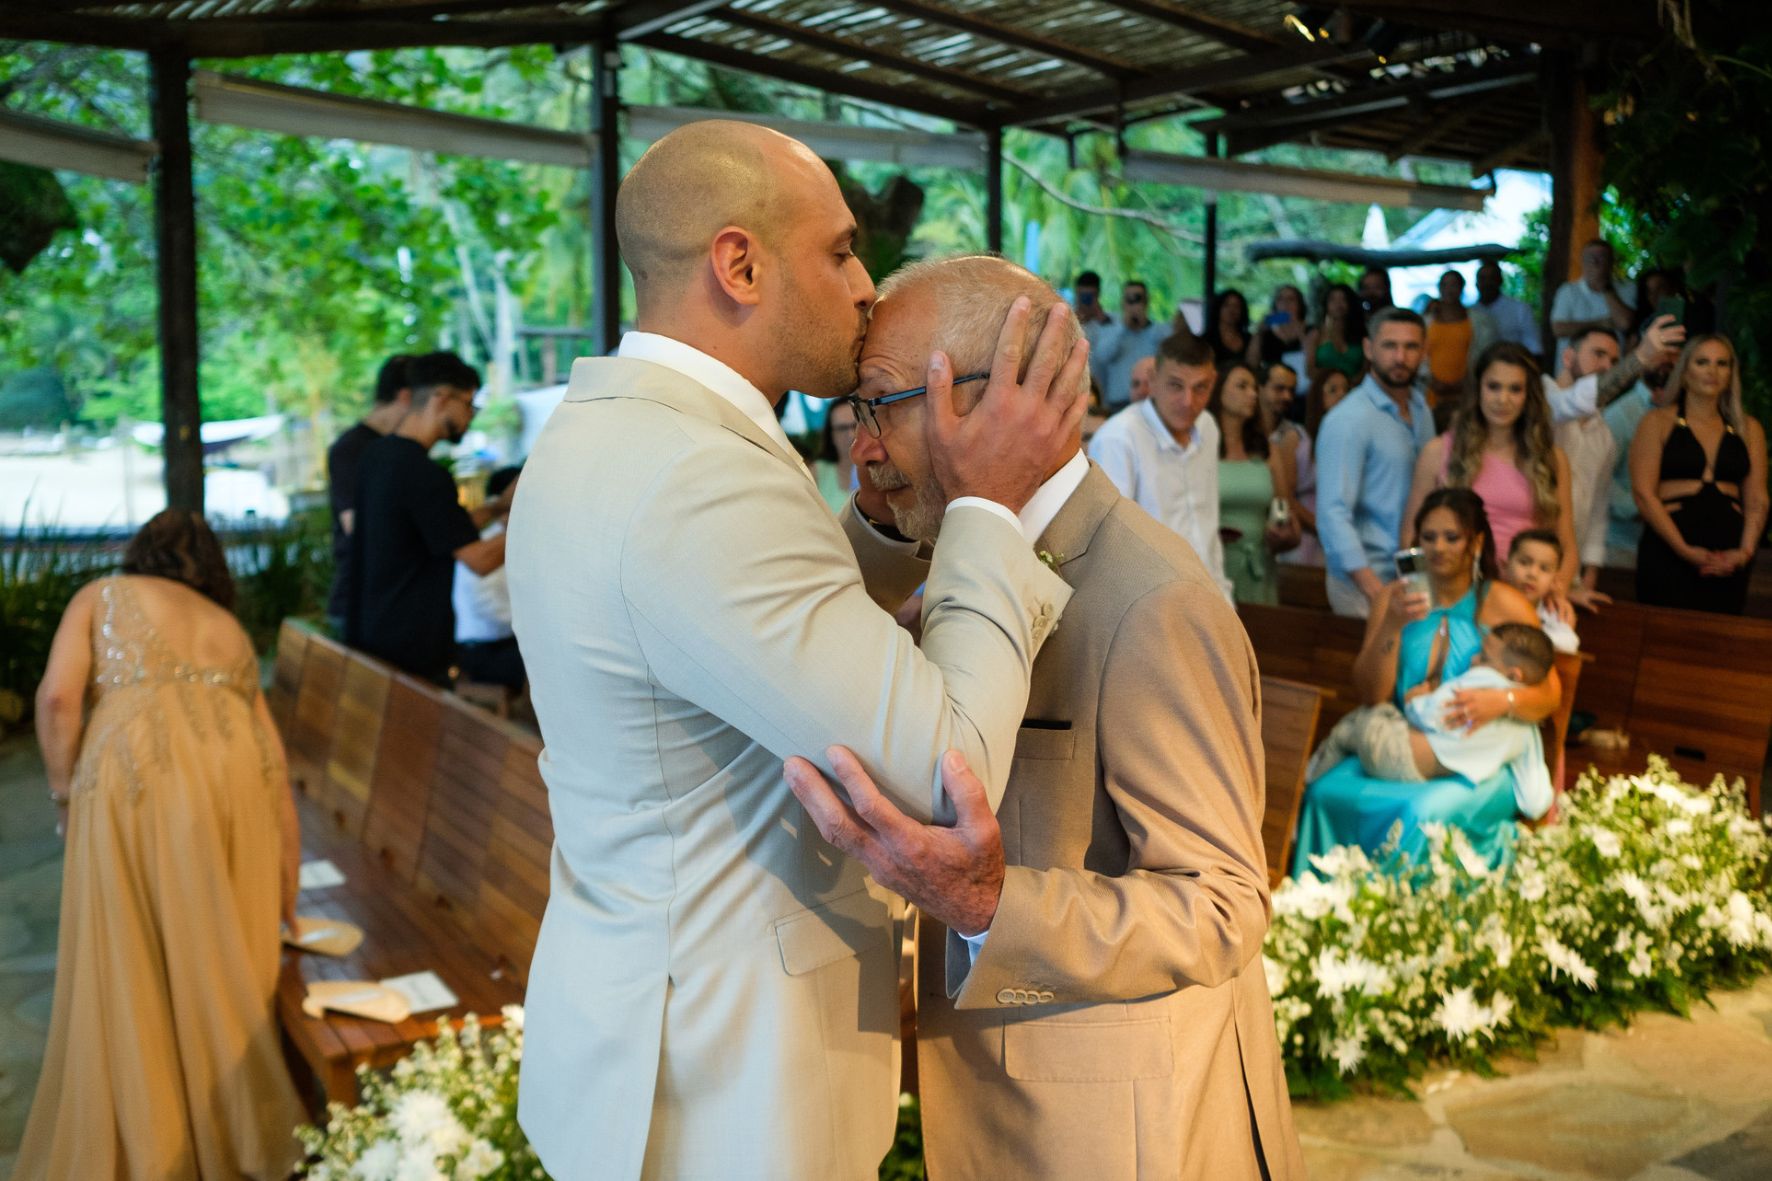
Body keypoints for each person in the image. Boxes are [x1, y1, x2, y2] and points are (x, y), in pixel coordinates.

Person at [505, 122, 1086, 1180]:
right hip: (729, 1080)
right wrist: (988, 508)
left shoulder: (600, 430)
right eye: (840, 250)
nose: (866, 285)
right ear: (739, 264)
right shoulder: (696, 473)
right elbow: (940, 767)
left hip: (643, 1014)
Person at [783, 253, 1305, 1181]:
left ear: (997, 397)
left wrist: (993, 904)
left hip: (1118, 1129)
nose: (861, 446)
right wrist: (879, 504)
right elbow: (827, 634)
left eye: (879, 405)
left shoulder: (1149, 600)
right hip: (999, 1104)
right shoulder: (945, 543)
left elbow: (1223, 905)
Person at [17, 510, 305, 1180]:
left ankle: (154, 1141)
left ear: (139, 551)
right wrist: (285, 891)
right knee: (215, 946)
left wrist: (64, 795)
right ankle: (234, 1132)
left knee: (134, 951)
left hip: (135, 775)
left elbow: (59, 700)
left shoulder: (101, 595)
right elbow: (275, 757)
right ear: (212, 568)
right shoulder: (228, 628)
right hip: (236, 777)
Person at [1293, 489, 1562, 872]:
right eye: (1428, 537)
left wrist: (1501, 702)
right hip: (1405, 739)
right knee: (1323, 792)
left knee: (1422, 811)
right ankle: (1321, 908)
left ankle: (1403, 920)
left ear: (1476, 542)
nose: (1438, 547)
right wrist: (1392, 623)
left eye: (1451, 537)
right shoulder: (1394, 597)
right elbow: (1372, 694)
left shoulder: (1502, 603)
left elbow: (1550, 693)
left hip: (1474, 756)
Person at [347, 350, 513, 684]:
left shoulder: (376, 457)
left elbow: (445, 531)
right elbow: (478, 559)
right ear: (441, 397)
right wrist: (533, 517)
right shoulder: (422, 473)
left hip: (369, 634)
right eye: (468, 404)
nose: (470, 416)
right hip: (411, 650)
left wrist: (497, 508)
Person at [1401, 341, 1578, 618]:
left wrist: (1557, 590)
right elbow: (1410, 537)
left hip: (1525, 602)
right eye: (1493, 386)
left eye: (1515, 389)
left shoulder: (1552, 460)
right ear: (1477, 390)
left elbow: (1566, 542)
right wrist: (1424, 599)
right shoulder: (1438, 451)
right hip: (1452, 598)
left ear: (1529, 395)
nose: (1502, 399)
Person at [1304, 621, 1556, 814]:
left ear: (1513, 675)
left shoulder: (1482, 683)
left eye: (1484, 658)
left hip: (1394, 753)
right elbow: (1534, 798)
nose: (1474, 659)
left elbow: (1428, 716)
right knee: (1361, 726)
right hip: (1418, 772)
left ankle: (1304, 789)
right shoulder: (1527, 728)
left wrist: (1416, 700)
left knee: (1358, 720)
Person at [1630, 334, 1769, 615]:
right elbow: (1644, 494)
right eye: (1702, 362)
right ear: (1684, 370)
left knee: (1719, 644)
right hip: (1669, 548)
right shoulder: (1656, 422)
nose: (1712, 371)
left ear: (1731, 373)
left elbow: (1757, 500)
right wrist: (1683, 549)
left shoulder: (1748, 428)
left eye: (1722, 363)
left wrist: (1744, 553)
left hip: (1728, 555)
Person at [1089, 331, 1234, 598]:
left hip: (1211, 596)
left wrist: (1224, 598)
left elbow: (1207, 525)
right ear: (1153, 381)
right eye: (1176, 385)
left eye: (1200, 387)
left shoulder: (1208, 426)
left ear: (1213, 383)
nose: (1188, 401)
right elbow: (1109, 545)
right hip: (1149, 602)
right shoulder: (1118, 437)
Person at [1314, 307, 1436, 618]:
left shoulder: (1422, 410)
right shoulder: (1349, 418)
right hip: (1364, 579)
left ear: (1423, 351)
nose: (1400, 357)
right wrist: (1371, 587)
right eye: (1389, 345)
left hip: (1413, 574)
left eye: (1410, 347)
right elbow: (1332, 512)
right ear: (1369, 349)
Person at [326, 352, 412, 632]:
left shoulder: (397, 447)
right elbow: (357, 526)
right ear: (405, 396)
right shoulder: (351, 449)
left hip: (387, 599)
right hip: (359, 601)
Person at [1211, 360, 1300, 602]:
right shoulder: (1200, 448)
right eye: (1242, 386)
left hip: (1259, 565)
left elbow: (1286, 510)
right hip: (1213, 565)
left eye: (1254, 388)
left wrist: (1284, 534)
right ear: (1217, 390)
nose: (1252, 394)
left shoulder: (1266, 449)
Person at [453, 464, 526, 692]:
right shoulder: (484, 548)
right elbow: (491, 611)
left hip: (508, 643)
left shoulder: (506, 542)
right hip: (483, 650)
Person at [1283, 366, 1351, 567]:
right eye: (1333, 390)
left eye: (1345, 390)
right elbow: (1286, 496)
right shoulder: (1297, 438)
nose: (1342, 395)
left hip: (1341, 534)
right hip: (1305, 532)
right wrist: (1319, 528)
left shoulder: (1352, 443)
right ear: (1317, 397)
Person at [1549, 238, 1636, 357]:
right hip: (1571, 371)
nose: (1595, 262)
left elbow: (1625, 323)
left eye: (1601, 258)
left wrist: (1606, 288)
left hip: (1613, 370)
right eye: (1590, 258)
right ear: (1582, 262)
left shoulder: (1627, 288)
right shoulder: (1567, 291)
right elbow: (1558, 329)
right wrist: (1600, 324)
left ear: (1611, 262)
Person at [1092, 279, 1167, 410]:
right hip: (1118, 404)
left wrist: (1144, 324)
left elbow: (1167, 356)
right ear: (1122, 303)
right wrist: (1123, 328)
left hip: (1150, 402)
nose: (1134, 304)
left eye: (1138, 299)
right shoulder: (1111, 329)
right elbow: (1102, 356)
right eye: (1129, 299)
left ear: (1146, 302)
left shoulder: (1157, 331)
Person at [1504, 528, 1580, 654]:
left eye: (1544, 569)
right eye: (1524, 562)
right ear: (1505, 566)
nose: (1533, 574)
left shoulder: (1552, 613)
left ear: (1554, 580)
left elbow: (1569, 643)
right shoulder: (1489, 600)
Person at [1424, 270, 1476, 407]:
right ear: (1439, 288)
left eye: (1454, 285)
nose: (1449, 290)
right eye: (1445, 285)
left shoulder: (1477, 320)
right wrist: (1431, 381)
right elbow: (1420, 355)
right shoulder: (1427, 320)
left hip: (1465, 392)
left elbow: (1480, 354)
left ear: (1462, 288)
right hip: (1432, 392)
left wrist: (1464, 383)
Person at [1303, 281, 1365, 389]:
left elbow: (1367, 369)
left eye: (1343, 299)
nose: (1338, 304)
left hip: (1357, 391)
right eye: (1332, 299)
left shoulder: (1362, 334)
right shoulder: (1316, 334)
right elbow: (1310, 371)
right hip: (1324, 391)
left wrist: (1351, 384)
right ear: (1326, 304)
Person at [1475, 260, 1542, 354]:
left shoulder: (1520, 309)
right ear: (1476, 283)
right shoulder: (1470, 312)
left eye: (1492, 278)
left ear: (1500, 280)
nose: (1487, 283)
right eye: (1482, 278)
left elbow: (1534, 346)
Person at [814, 397, 861, 512]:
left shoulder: (881, 466)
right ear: (831, 435)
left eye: (855, 425)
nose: (851, 434)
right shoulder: (816, 472)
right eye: (842, 428)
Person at [1250, 283, 1308, 373]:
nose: (1285, 303)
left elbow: (1311, 359)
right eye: (1280, 299)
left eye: (1291, 299)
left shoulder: (1309, 330)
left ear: (1299, 304)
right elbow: (1252, 363)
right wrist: (1259, 332)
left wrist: (1299, 331)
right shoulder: (1267, 333)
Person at [1204, 287, 1251, 367]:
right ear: (1218, 309)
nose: (1231, 310)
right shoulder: (1206, 339)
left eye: (1236, 306)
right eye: (1226, 305)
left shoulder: (1249, 339)